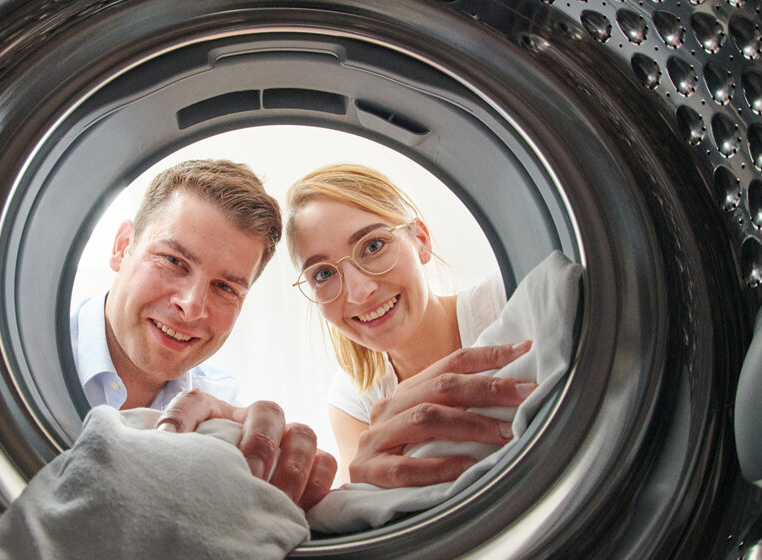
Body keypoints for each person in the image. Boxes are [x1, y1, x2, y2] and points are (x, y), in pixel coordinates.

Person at [69, 158, 335, 508]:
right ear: (122, 247)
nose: (192, 306)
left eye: (225, 287)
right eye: (174, 261)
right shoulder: (20, 353)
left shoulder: (221, 413)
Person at [283, 163, 536, 488]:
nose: (360, 293)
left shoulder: (507, 301)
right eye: (324, 274)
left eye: (373, 247)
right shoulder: (354, 400)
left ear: (420, 239)